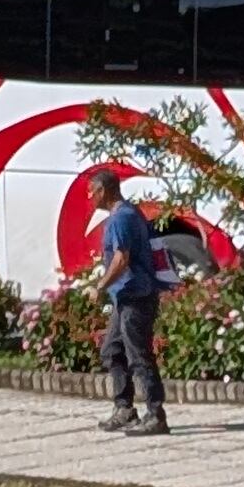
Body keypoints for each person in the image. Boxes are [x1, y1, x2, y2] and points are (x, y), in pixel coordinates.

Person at [90, 169, 167, 437]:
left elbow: (121, 259)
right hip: (124, 298)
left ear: (105, 191)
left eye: (93, 191)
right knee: (112, 350)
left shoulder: (122, 218)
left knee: (139, 356)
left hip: (136, 297)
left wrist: (101, 285)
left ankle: (156, 415)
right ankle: (124, 409)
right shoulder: (127, 214)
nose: (90, 196)